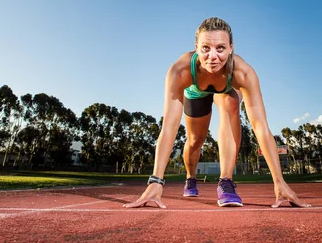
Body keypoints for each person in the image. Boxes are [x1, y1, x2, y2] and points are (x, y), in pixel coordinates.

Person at [123, 17, 309, 209]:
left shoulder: (243, 73)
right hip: (195, 89)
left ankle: (226, 181)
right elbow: (169, 126)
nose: (213, 56)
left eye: (220, 48)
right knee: (195, 139)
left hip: (226, 88)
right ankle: (191, 177)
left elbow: (261, 127)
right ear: (196, 47)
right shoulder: (181, 71)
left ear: (231, 48)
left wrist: (279, 182)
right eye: (205, 48)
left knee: (231, 105)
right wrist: (156, 181)